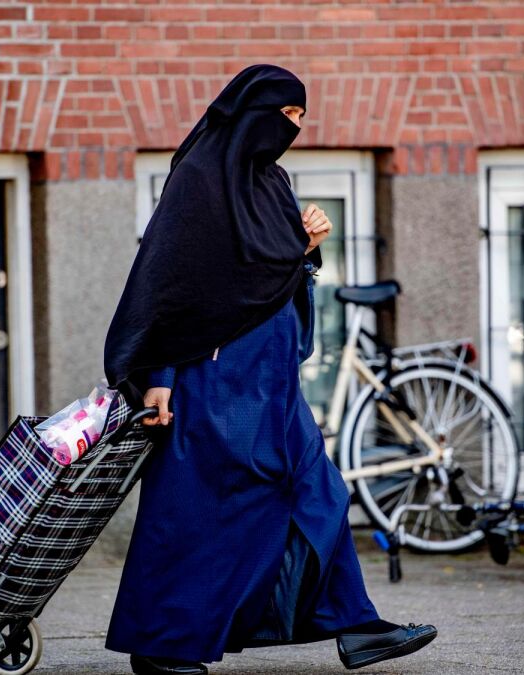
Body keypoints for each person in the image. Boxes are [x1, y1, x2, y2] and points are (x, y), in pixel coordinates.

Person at [101, 64, 437, 675]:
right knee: (201, 513)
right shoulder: (197, 181)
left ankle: (355, 623)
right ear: (251, 112)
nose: (295, 128)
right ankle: (161, 646)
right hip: (213, 384)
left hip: (275, 383)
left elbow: (272, 277)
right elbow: (166, 289)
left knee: (319, 492)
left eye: (302, 116)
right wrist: (159, 378)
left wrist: (306, 250)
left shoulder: (273, 182)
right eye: (287, 114)